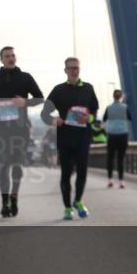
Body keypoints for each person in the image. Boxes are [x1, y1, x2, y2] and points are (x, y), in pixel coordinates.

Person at [0, 46, 45, 217]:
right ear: (1, 60)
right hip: (1, 130)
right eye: (7, 56)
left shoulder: (25, 77)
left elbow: (40, 98)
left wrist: (25, 102)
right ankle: (4, 202)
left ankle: (14, 197)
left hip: (21, 130)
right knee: (3, 167)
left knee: (17, 166)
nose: (11, 58)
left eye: (13, 55)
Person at [42, 57, 99, 220]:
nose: (74, 71)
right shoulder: (59, 90)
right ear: (65, 70)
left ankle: (78, 201)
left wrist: (88, 118)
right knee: (66, 174)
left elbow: (94, 113)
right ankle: (67, 208)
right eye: (71, 68)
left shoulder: (88, 88)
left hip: (83, 138)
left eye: (76, 68)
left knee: (82, 172)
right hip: (65, 139)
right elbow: (44, 114)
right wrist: (54, 120)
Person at [103, 90, 131, 188]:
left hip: (112, 135)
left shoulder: (109, 108)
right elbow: (130, 118)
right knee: (120, 159)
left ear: (113, 96)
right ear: (121, 96)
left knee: (110, 158)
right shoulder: (125, 107)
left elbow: (104, 119)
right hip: (123, 134)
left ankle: (110, 180)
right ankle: (121, 181)